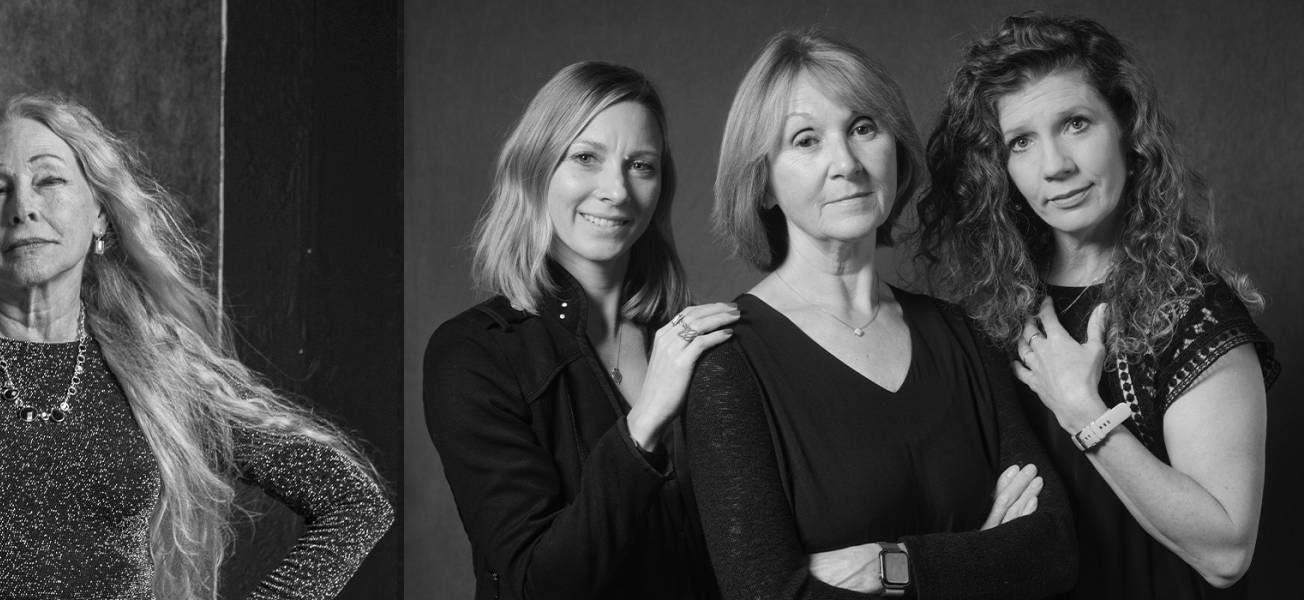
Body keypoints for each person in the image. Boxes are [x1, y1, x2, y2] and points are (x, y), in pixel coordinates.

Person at [0, 93, 391, 599]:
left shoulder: (153, 362)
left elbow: (354, 503)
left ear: (100, 214)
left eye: (49, 180)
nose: (22, 208)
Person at [684, 30, 1078, 598]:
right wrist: (981, 560)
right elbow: (766, 594)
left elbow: (1053, 550)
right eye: (805, 140)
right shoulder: (729, 365)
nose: (845, 162)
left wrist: (892, 566)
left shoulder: (962, 334)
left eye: (863, 128)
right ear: (762, 183)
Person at [917, 12, 1278, 599]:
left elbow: (1226, 551)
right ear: (1000, 169)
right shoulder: (992, 311)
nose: (1055, 165)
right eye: (1021, 142)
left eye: (1077, 124)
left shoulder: (1193, 315)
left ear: (1127, 132)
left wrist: (1083, 410)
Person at [423, 61, 738, 600]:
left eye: (641, 165)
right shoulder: (473, 354)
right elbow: (536, 583)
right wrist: (644, 425)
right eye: (586, 158)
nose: (616, 190)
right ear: (536, 169)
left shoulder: (695, 341)